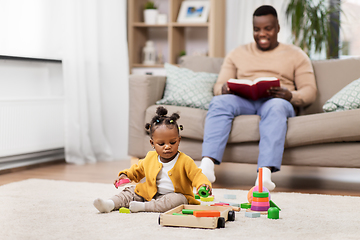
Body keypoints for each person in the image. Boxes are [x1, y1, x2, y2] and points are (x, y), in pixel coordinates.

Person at [199, 5, 317, 190]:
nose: (262, 34)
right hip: (243, 100)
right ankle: (206, 167)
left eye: (267, 28)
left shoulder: (296, 54)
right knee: (219, 101)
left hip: (276, 100)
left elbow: (310, 91)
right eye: (257, 29)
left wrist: (290, 95)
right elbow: (218, 86)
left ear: (278, 28)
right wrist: (223, 89)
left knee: (276, 107)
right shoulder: (238, 53)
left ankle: (264, 175)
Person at [94, 106, 212, 213]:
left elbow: (197, 175)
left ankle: (144, 207)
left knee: (178, 200)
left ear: (179, 140)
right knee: (131, 191)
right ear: (152, 143)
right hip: (149, 192)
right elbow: (137, 170)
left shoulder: (185, 161)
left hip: (172, 196)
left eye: (173, 142)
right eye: (161, 144)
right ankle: (110, 204)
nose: (167, 146)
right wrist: (126, 175)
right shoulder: (150, 157)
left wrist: (203, 185)